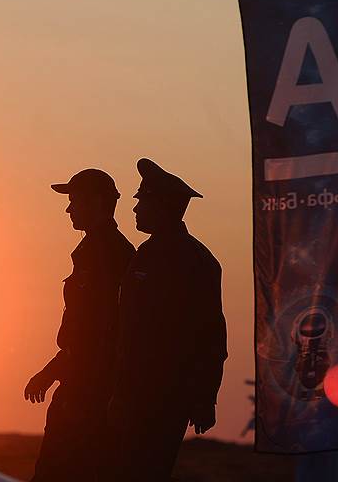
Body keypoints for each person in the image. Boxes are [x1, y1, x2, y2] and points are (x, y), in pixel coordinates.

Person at [103, 158, 228, 481]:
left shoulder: (195, 262)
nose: (135, 209)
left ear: (162, 207)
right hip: (134, 394)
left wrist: (205, 398)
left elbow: (211, 337)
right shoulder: (146, 255)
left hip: (162, 397)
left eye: (142, 201)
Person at [25, 168, 136, 481]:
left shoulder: (110, 255)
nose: (69, 209)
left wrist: (52, 372)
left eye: (75, 201)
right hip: (82, 383)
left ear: (97, 203)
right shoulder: (96, 252)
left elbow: (97, 333)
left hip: (90, 389)